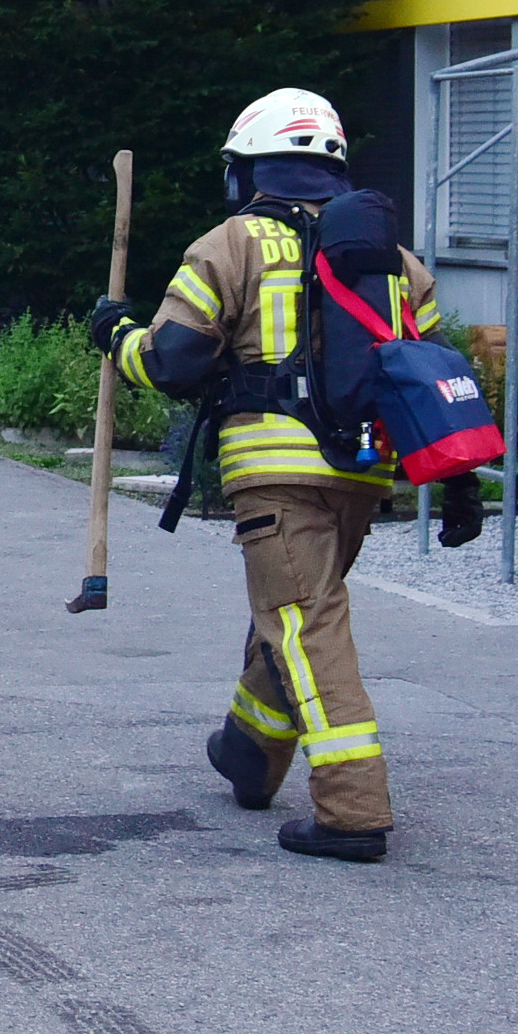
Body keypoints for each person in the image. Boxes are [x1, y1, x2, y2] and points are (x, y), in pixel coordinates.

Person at [92, 87, 474, 865]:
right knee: (298, 610)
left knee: (304, 624)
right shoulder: (395, 262)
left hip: (273, 473)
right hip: (364, 471)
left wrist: (117, 335)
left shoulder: (228, 246)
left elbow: (174, 362)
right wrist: (460, 480)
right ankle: (249, 752)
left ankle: (352, 809)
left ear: (247, 171)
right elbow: (431, 373)